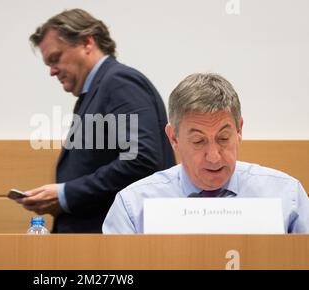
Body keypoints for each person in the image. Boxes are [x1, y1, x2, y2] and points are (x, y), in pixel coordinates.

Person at [16, 9, 175, 233]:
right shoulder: (98, 89)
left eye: (55, 58)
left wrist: (66, 194)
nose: (52, 71)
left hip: (110, 245)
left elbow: (142, 158)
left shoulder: (119, 82)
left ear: (87, 42)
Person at [103, 73, 309, 234]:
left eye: (223, 138)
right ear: (173, 137)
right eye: (198, 141)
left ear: (239, 130)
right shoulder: (134, 205)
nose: (214, 156)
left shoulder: (287, 195)